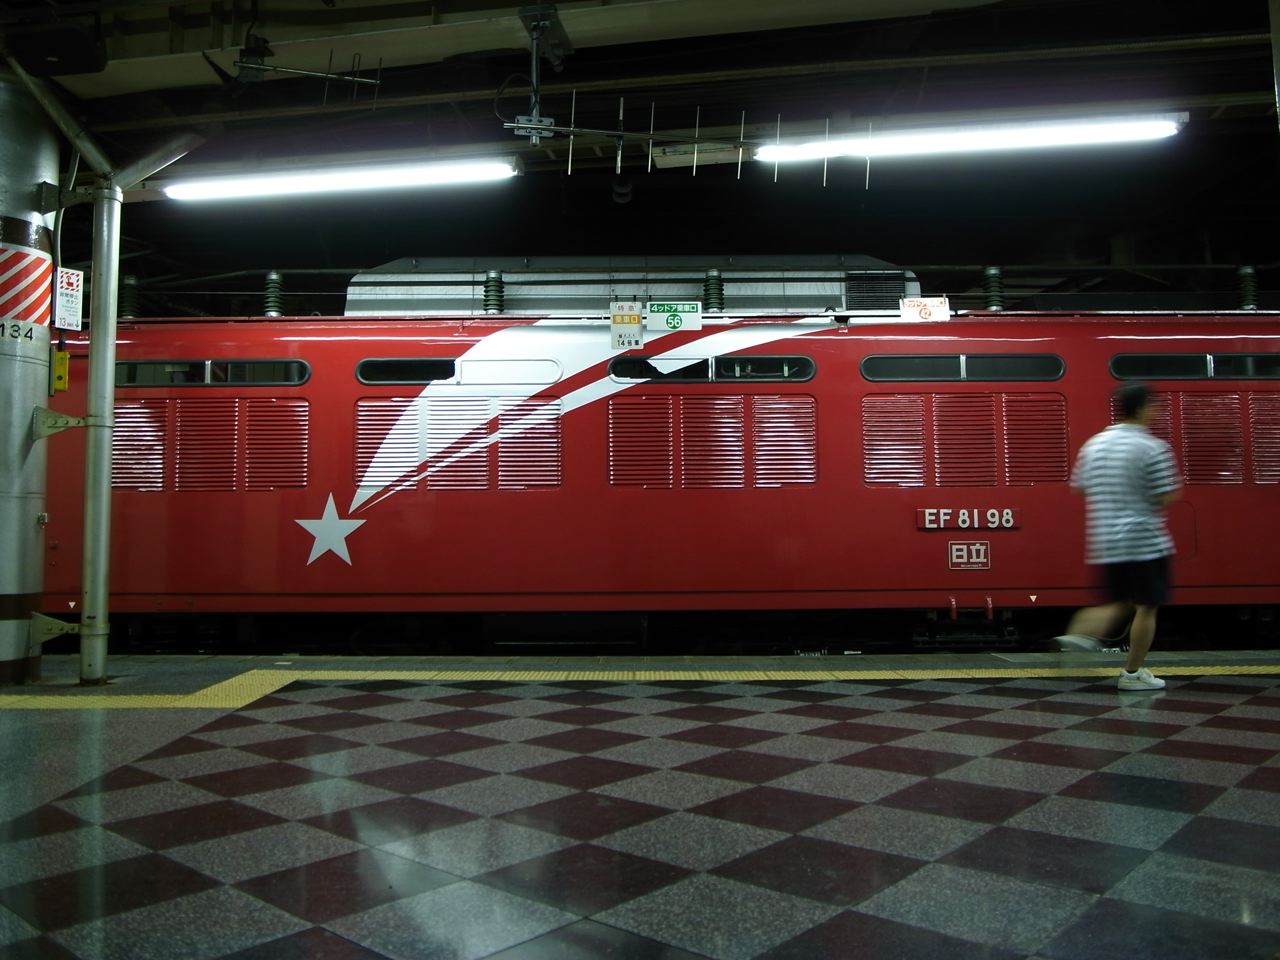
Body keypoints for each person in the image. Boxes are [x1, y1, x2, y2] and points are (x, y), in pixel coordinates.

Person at [1055, 382, 1181, 690]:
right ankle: (1133, 673)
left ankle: (1081, 634)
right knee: (1146, 607)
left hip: (1107, 541)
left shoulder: (1095, 444)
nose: (1157, 412)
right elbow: (1167, 495)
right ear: (1140, 409)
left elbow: (1080, 488)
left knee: (1116, 601)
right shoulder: (1152, 447)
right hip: (1145, 541)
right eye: (1153, 406)